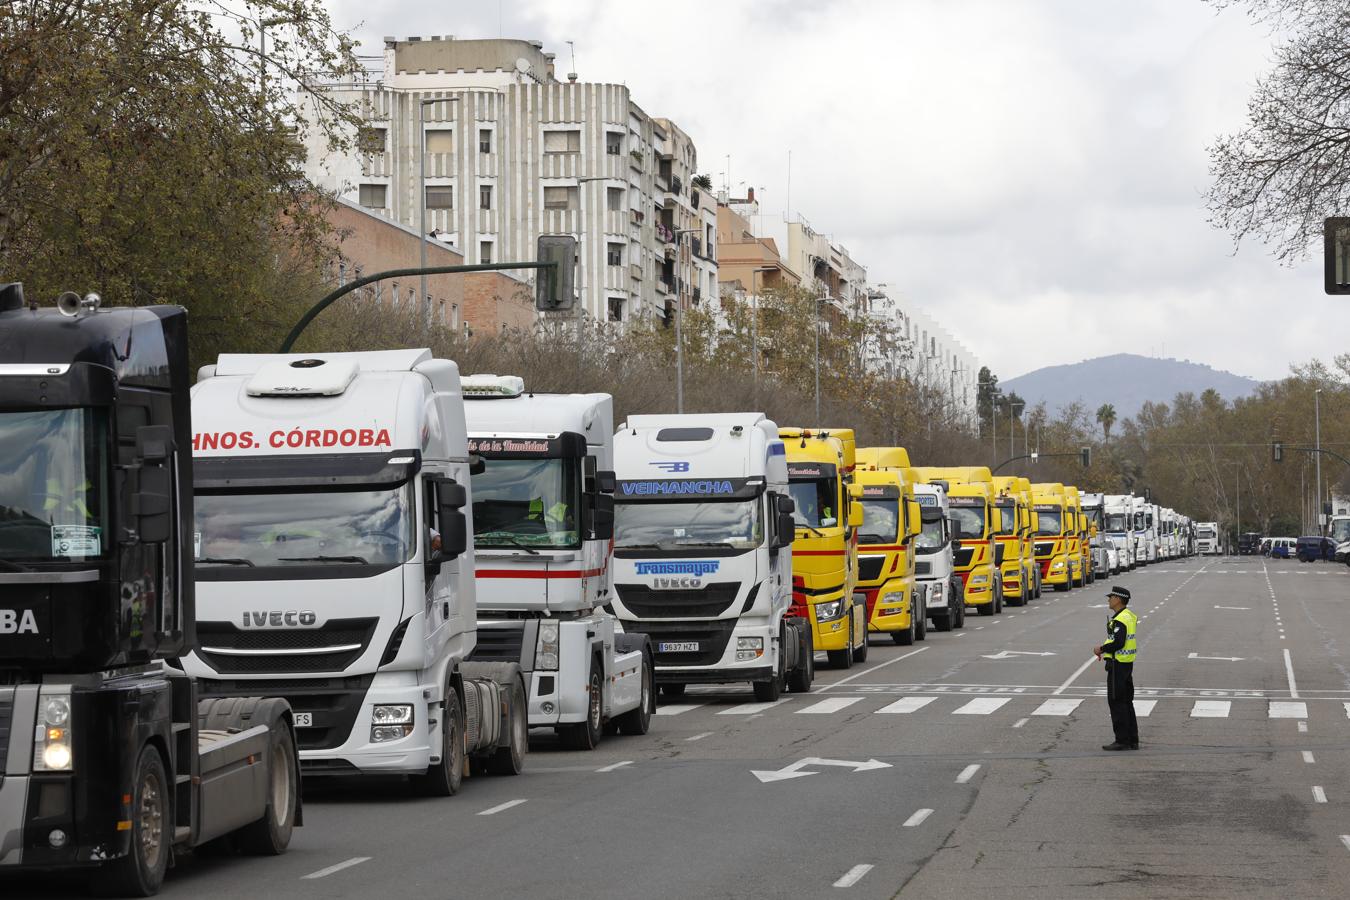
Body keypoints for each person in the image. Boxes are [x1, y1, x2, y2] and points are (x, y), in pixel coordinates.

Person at [1094, 585, 1138, 751]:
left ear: (1118, 599)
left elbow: (1118, 642)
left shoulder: (1120, 619)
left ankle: (1122, 740)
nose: (1109, 600)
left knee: (1117, 702)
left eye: (1111, 597)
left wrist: (1101, 649)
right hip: (1127, 663)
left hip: (1118, 665)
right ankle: (1133, 739)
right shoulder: (1128, 616)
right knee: (1127, 702)